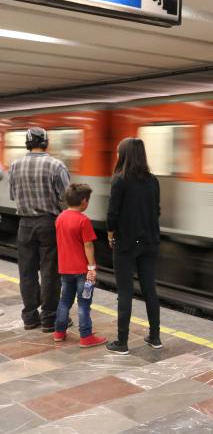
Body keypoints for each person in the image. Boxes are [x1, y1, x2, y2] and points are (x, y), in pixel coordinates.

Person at [8, 127, 71, 332]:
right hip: (49, 224)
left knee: (27, 272)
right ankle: (49, 319)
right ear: (46, 142)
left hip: (24, 224)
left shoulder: (15, 165)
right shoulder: (56, 165)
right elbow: (67, 199)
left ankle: (30, 318)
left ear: (27, 143)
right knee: (50, 272)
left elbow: (13, 195)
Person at [105, 138, 162, 355]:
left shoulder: (120, 180)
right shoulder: (153, 180)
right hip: (149, 242)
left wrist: (111, 234)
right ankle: (155, 337)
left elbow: (113, 213)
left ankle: (122, 341)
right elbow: (156, 211)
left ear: (123, 155)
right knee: (150, 289)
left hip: (126, 243)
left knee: (125, 291)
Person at [52, 184, 107, 348]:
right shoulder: (83, 220)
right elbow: (88, 245)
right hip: (84, 271)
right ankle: (86, 336)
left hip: (65, 269)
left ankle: (59, 332)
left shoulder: (60, 218)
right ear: (84, 201)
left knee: (64, 301)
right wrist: (92, 267)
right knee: (84, 303)